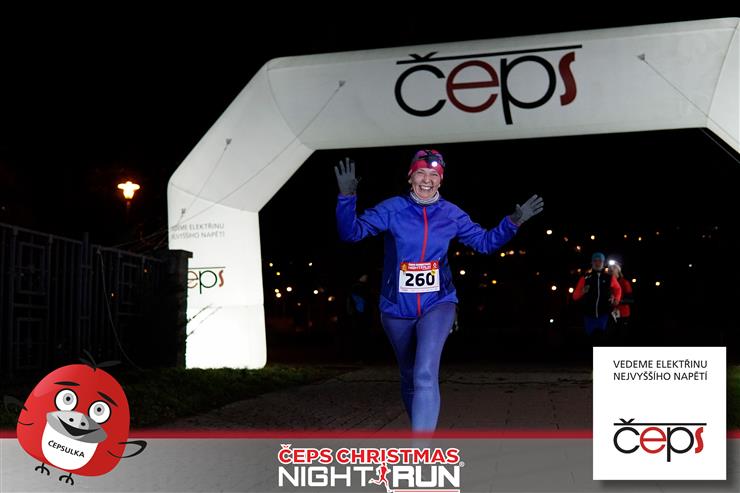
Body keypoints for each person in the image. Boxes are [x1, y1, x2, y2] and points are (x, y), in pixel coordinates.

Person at [334, 150, 543, 432]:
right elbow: (351, 233)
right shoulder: (392, 209)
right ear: (410, 177)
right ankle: (420, 434)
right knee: (409, 375)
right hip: (396, 308)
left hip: (438, 302)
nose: (427, 180)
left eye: (434, 175)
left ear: (441, 181)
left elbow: (485, 243)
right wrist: (347, 198)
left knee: (424, 373)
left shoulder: (451, 214)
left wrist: (513, 222)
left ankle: (421, 450)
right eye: (421, 173)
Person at [572, 252, 622, 341]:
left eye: (600, 261)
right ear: (592, 262)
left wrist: (616, 299)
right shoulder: (585, 278)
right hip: (589, 316)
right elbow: (575, 297)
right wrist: (582, 291)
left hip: (604, 315)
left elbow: (618, 289)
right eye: (595, 261)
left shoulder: (609, 278)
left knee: (603, 340)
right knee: (589, 340)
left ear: (603, 263)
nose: (597, 263)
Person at [608, 260, 633, 341]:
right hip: (611, 313)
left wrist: (618, 300)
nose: (610, 269)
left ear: (618, 270)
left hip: (623, 314)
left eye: (613, 268)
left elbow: (630, 300)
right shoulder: (607, 282)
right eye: (609, 268)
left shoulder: (624, 282)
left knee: (621, 336)